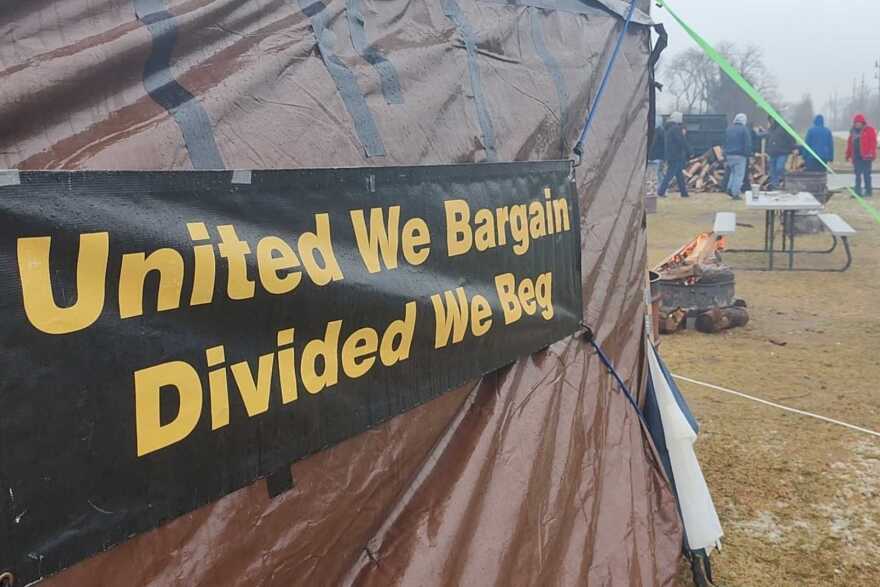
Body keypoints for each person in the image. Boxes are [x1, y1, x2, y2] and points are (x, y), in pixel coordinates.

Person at [658, 112, 690, 198]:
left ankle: (684, 193)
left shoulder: (669, 128)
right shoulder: (676, 129)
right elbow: (682, 141)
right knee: (669, 174)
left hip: (671, 155)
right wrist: (690, 151)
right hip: (676, 155)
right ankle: (661, 191)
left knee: (679, 176)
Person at [846, 113, 877, 197]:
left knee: (867, 174)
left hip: (866, 156)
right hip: (856, 157)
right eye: (856, 122)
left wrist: (871, 153)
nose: (857, 124)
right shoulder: (852, 131)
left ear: (863, 123)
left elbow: (873, 143)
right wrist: (848, 155)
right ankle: (857, 192)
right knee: (858, 175)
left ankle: (868, 191)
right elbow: (850, 144)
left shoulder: (869, 130)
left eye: (859, 122)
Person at [723, 113, 752, 200]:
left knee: (733, 173)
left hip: (729, 155)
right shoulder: (744, 129)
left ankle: (729, 188)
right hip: (740, 155)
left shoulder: (729, 129)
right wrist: (748, 154)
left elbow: (725, 142)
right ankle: (735, 193)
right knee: (739, 175)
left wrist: (725, 154)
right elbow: (747, 143)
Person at [766, 118, 796, 189]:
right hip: (772, 152)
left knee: (779, 168)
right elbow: (768, 139)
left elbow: (791, 138)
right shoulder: (771, 128)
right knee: (772, 170)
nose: (770, 121)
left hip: (783, 152)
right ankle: (774, 185)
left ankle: (788, 180)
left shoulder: (785, 127)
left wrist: (793, 148)